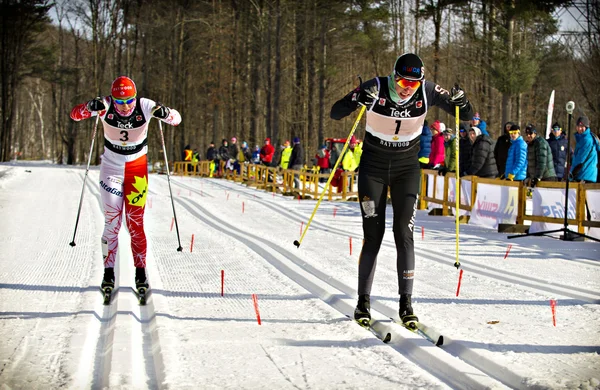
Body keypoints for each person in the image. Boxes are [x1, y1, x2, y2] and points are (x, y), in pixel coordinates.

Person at [330, 53, 474, 326]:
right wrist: (356, 98)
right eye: (401, 81)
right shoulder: (376, 87)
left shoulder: (428, 91)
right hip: (373, 168)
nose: (406, 88)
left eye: (412, 83)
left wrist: (463, 102)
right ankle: (363, 302)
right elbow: (335, 112)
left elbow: (465, 114)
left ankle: (406, 303)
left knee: (403, 234)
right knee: (373, 235)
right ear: (392, 75)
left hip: (406, 170)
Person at [70, 75, 181, 292]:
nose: (124, 106)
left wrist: (164, 113)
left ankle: (140, 273)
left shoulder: (145, 105)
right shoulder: (105, 105)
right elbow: (74, 115)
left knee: (135, 224)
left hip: (137, 170)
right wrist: (88, 107)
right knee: (112, 222)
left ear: (135, 97)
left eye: (128, 100)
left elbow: (176, 119)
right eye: (119, 101)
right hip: (111, 169)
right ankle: (108, 274)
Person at [570, 116, 598, 183]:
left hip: (585, 174)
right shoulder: (581, 139)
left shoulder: (587, 140)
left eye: (582, 126)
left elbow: (581, 159)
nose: (580, 128)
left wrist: (571, 174)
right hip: (584, 174)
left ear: (586, 127)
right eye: (578, 126)